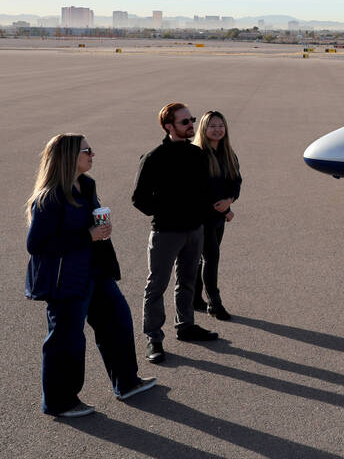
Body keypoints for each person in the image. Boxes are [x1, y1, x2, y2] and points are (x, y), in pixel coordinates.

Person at [25, 134, 157, 417]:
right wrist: (87, 235)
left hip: (96, 271)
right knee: (66, 339)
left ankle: (127, 382)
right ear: (70, 156)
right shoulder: (49, 198)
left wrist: (100, 229)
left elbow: (89, 227)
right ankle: (59, 402)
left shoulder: (85, 186)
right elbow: (36, 245)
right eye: (87, 150)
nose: (92, 154)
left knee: (118, 322)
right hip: (66, 279)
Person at [132, 103, 220, 363]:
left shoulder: (198, 155)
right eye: (184, 122)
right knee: (156, 285)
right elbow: (139, 199)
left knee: (188, 280)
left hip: (195, 230)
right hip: (166, 232)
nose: (191, 125)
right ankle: (154, 338)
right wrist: (168, 210)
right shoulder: (154, 157)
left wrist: (203, 213)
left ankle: (186, 326)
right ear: (168, 127)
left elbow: (205, 190)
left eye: (191, 120)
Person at [192, 110, 241, 321]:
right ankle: (214, 302)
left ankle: (195, 298)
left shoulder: (228, 154)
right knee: (211, 257)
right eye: (212, 125)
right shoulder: (198, 154)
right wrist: (226, 209)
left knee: (205, 259)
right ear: (203, 128)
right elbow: (201, 189)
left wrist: (229, 201)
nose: (217, 129)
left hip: (219, 217)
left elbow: (236, 182)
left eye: (221, 125)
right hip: (201, 217)